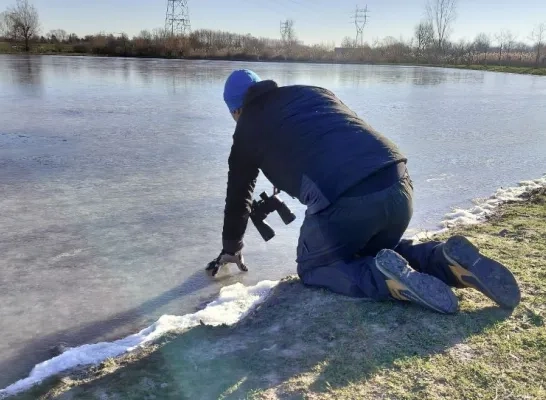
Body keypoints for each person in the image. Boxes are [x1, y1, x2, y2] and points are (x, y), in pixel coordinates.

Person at [206, 69, 521, 314]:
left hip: (350, 201)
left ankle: (387, 281)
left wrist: (231, 246)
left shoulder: (246, 130)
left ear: (236, 110)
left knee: (314, 267)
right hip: (399, 183)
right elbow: (337, 135)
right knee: (370, 249)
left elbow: (238, 199)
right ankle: (443, 260)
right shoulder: (312, 92)